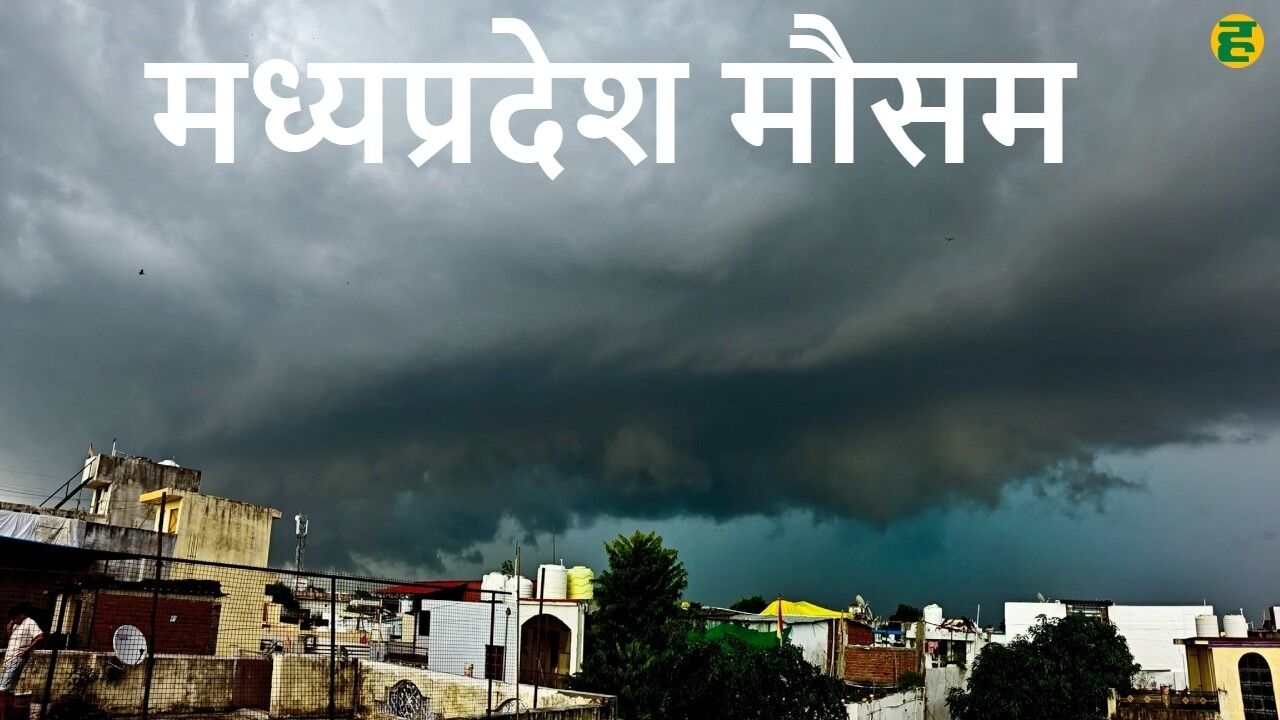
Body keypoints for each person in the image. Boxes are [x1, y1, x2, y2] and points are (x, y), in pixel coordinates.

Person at [1, 606, 44, 713]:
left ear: (20, 615)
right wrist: (10, 626)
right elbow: (11, 639)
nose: (13, 621)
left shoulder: (30, 622)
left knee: (2, 687)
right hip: (9, 658)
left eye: (14, 618)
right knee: (10, 688)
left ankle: (2, 712)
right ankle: (7, 712)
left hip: (18, 658)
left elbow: (40, 636)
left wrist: (28, 649)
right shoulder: (16, 624)